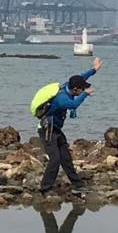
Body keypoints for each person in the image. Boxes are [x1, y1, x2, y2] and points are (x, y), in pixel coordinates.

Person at [38, 57, 102, 194]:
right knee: (55, 160)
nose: (83, 90)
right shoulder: (62, 99)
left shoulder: (68, 86)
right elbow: (74, 104)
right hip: (47, 130)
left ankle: (77, 184)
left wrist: (94, 69)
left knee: (66, 157)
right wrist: (85, 94)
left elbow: (81, 77)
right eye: (81, 89)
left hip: (56, 129)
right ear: (75, 89)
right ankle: (45, 188)